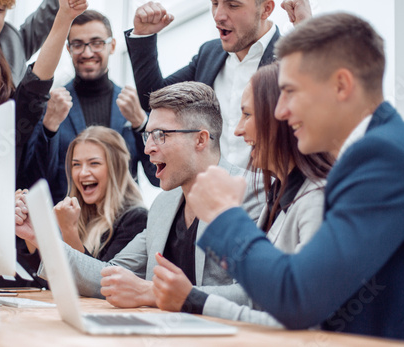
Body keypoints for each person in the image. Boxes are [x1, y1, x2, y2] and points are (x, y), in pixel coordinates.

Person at [187, 13, 404, 341]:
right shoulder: (371, 155)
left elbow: (298, 296)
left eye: (290, 91)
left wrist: (225, 215)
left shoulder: (384, 157)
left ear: (341, 86)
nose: (279, 111)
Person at [16, 81, 264, 309]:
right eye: (148, 135)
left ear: (200, 139)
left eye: (161, 135)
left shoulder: (256, 194)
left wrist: (153, 293)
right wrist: (40, 236)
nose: (147, 148)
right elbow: (109, 276)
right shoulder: (163, 205)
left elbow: (258, 294)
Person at [151, 63, 333, 325]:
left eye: (247, 115)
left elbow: (301, 321)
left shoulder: (316, 200)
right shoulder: (279, 198)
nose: (237, 130)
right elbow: (260, 297)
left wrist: (193, 300)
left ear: (283, 117)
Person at [0, 0, 89, 288]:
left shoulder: (8, 131)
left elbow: (37, 82)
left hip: (3, 277)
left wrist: (64, 16)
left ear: (0, 91)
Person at [124, 0, 312, 169]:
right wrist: (144, 35)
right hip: (213, 192)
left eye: (233, 5)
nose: (218, 15)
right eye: (215, 3)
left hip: (270, 196)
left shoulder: (291, 57)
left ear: (266, 9)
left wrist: (308, 33)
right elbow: (155, 99)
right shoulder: (209, 53)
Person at [21, 10, 158, 204]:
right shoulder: (51, 107)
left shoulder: (133, 105)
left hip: (126, 226)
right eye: (78, 44)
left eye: (96, 43)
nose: (87, 52)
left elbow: (157, 177)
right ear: (68, 49)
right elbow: (35, 182)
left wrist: (141, 124)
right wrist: (49, 127)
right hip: (68, 225)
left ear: (112, 46)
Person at [18, 126, 147, 262]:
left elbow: (96, 281)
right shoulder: (76, 215)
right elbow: (48, 272)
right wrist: (30, 227)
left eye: (94, 163)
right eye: (76, 165)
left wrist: (69, 230)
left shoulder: (136, 219)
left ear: (116, 168)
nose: (83, 172)